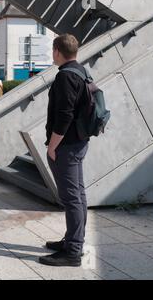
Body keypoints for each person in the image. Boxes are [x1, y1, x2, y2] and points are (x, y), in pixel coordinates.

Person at [39, 34, 90, 267]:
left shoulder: (65, 77)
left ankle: (72, 252)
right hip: (79, 141)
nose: (52, 54)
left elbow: (65, 115)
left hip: (67, 145)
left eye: (53, 50)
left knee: (71, 198)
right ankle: (73, 240)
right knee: (78, 195)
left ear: (57, 51)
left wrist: (52, 145)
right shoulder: (81, 71)